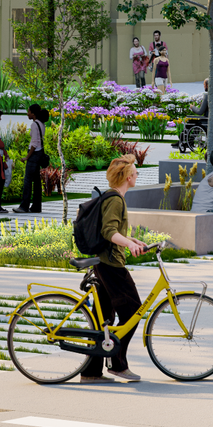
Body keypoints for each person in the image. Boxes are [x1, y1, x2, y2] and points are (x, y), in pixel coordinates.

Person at [81, 153, 150, 383]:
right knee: (133, 311)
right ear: (128, 177)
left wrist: (134, 240)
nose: (137, 175)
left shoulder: (115, 197)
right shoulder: (115, 199)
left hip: (105, 262)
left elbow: (114, 230)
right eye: (135, 173)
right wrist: (128, 243)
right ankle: (118, 364)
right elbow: (109, 232)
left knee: (102, 319)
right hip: (111, 265)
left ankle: (91, 372)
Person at [20, 104, 50, 215]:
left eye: (28, 111)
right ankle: (36, 206)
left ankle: (24, 206)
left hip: (34, 154)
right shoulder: (42, 124)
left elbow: (34, 142)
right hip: (40, 153)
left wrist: (27, 157)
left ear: (33, 113)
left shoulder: (34, 124)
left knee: (28, 180)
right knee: (37, 181)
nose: (27, 113)